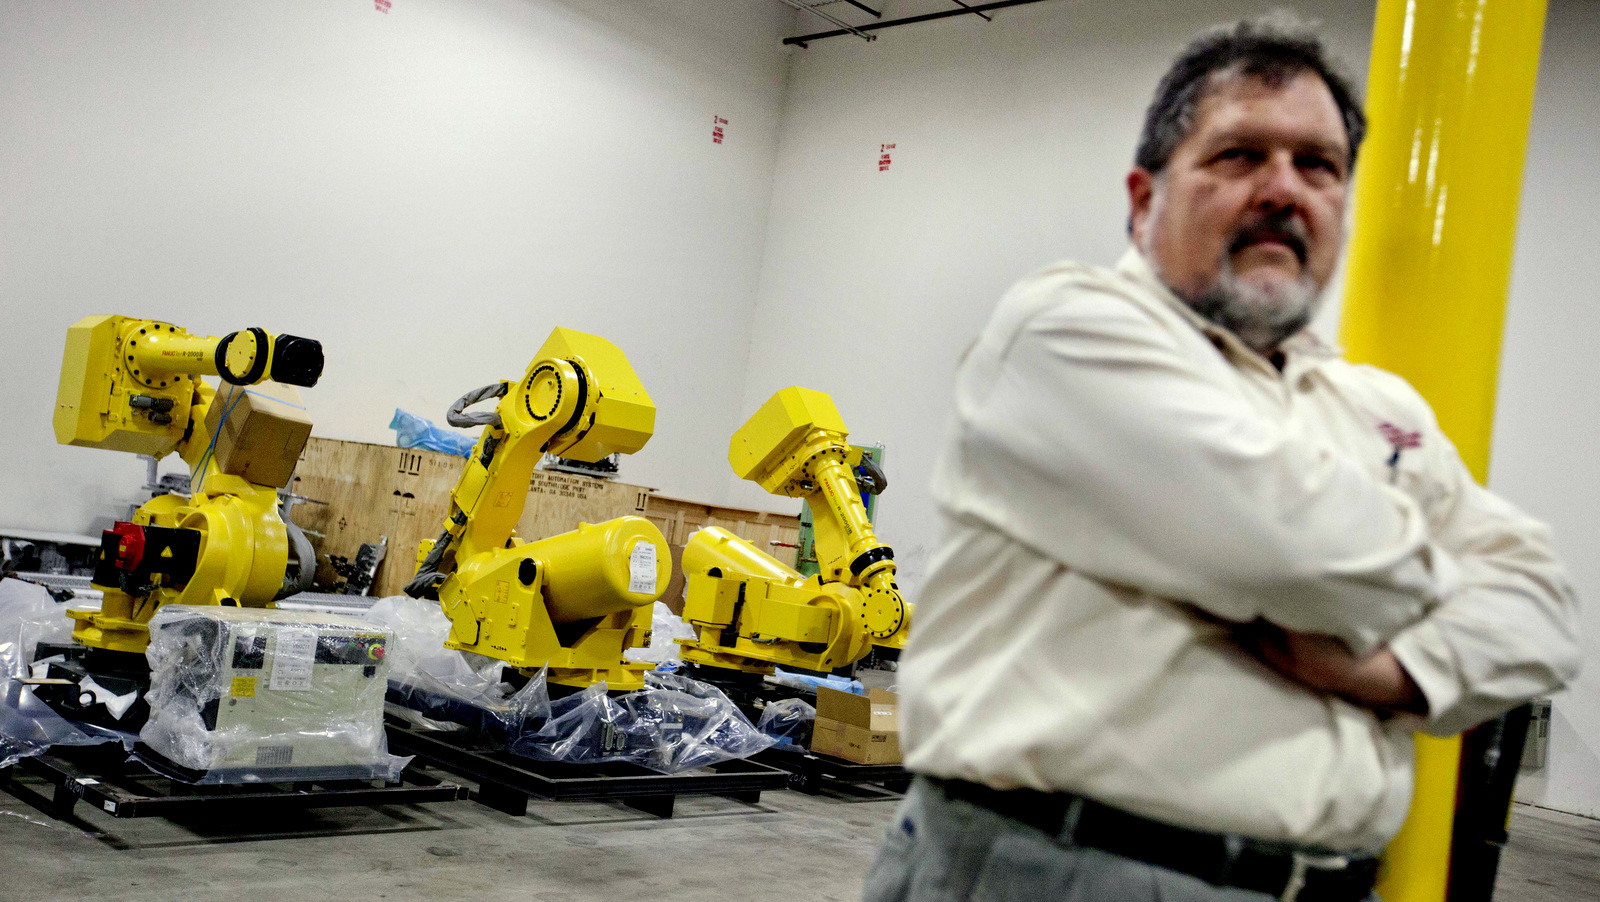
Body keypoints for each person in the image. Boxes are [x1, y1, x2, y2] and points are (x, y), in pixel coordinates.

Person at [866, 15, 1581, 902]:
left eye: (1318, 166)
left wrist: (1392, 672)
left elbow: (1548, 607)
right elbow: (1301, 549)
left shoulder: (1375, 407)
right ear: (1142, 200)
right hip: (1060, 870)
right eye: (1239, 156)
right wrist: (1454, 584)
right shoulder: (1065, 332)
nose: (1284, 189)